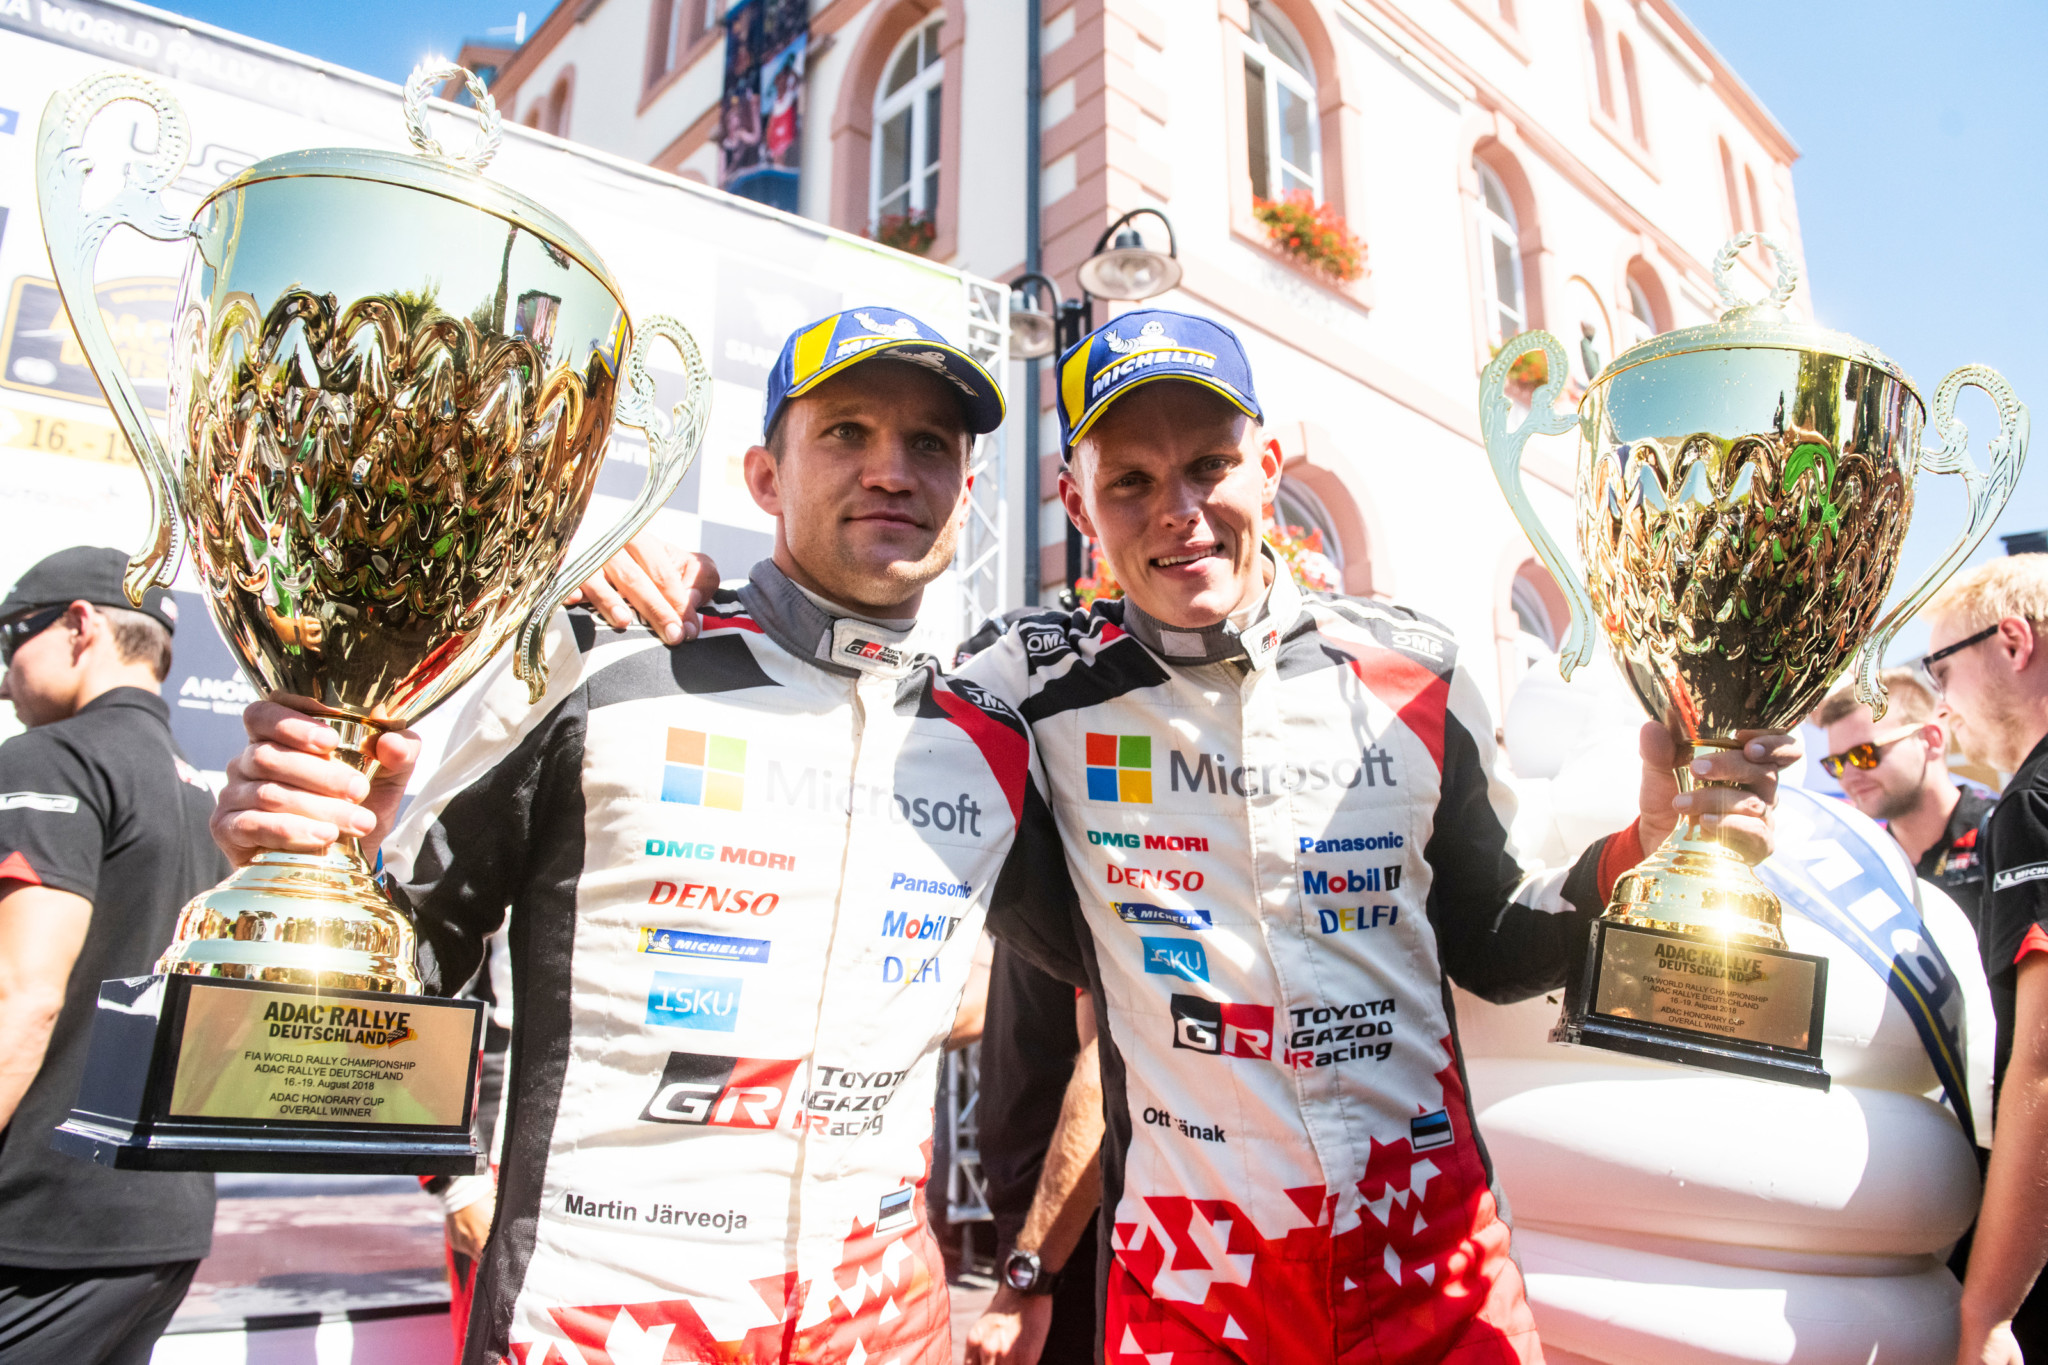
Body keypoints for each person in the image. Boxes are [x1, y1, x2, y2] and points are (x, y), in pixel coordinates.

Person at [207, 307, 1085, 1365]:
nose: (891, 471)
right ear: (765, 477)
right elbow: (405, 971)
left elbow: (1128, 977)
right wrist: (310, 863)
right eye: (846, 432)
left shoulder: (990, 742)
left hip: (884, 1326)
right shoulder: (602, 661)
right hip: (604, 1323)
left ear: (964, 495)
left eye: (929, 444)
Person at [949, 310, 1795, 1363]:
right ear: (1077, 504)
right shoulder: (1028, 690)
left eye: (1209, 465)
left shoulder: (1417, 668)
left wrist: (1646, 846)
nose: (1179, 511)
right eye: (1130, 480)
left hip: (1435, 1271)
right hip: (1197, 1292)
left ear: (1266, 468)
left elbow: (1492, 942)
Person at [0, 547, 228, 1365]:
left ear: (79, 625)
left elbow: (23, 997)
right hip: (161, 1221)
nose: (5, 679)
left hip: (41, 1220)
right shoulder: (202, 795)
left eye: (10, 639)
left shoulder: (50, 759)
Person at [1921, 556, 2048, 1365]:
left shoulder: (2031, 804)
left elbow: (2043, 1061)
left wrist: (1989, 1309)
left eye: (1943, 668)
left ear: (2012, 642)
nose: (1942, 701)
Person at [962, 945, 1103, 1365]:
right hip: (1039, 1237)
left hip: (1067, 1241)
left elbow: (1103, 1073)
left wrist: (1029, 1282)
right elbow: (1002, 1003)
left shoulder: (1083, 901)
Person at [1816, 669, 1994, 933]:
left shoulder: (2004, 832)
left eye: (1864, 754)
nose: (1849, 776)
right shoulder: (1863, 865)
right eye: (1836, 764)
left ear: (1931, 740)